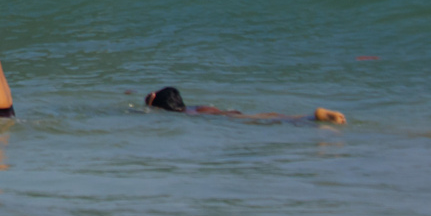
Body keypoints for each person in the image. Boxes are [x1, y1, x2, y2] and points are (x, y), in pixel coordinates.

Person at [146, 87, 344, 125]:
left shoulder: (186, 116)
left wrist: (150, 103)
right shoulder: (196, 108)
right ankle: (309, 117)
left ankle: (313, 118)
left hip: (227, 118)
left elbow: (147, 108)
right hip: (228, 113)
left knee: (272, 120)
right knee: (272, 115)